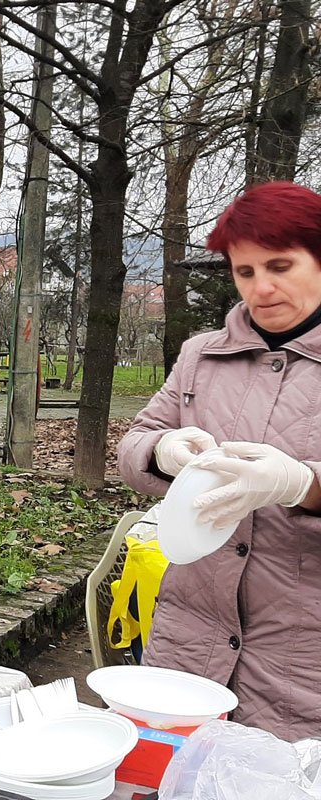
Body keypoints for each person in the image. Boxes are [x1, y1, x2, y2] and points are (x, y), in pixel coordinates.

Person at [118, 181, 321, 741]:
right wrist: (160, 452)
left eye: (281, 265)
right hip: (189, 636)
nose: (262, 288)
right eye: (245, 271)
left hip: (301, 661)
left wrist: (305, 485)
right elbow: (136, 443)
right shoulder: (201, 355)